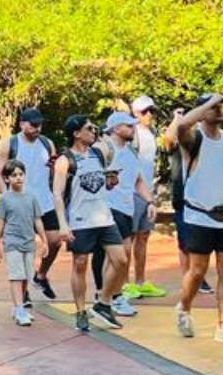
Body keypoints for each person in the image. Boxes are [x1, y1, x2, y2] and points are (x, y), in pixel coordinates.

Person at [169, 93, 223, 344]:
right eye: (213, 107)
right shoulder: (194, 137)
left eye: (220, 106)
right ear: (202, 111)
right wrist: (206, 103)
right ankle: (183, 308)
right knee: (198, 270)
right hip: (199, 215)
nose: (219, 110)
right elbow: (182, 126)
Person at [54, 114, 126, 332]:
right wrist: (62, 225)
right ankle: (80, 311)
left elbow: (103, 182)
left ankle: (103, 303)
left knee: (121, 260)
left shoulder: (98, 153)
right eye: (89, 128)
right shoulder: (65, 160)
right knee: (80, 264)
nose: (93, 131)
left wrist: (111, 182)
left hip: (104, 217)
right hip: (80, 219)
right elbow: (57, 194)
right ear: (77, 134)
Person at [0, 108, 65, 301]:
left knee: (55, 241)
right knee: (23, 250)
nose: (36, 128)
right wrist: (7, 198)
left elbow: (54, 172)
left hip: (44, 201)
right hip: (20, 204)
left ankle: (41, 275)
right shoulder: (9, 144)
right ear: (22, 124)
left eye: (39, 124)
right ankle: (22, 293)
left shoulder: (46, 143)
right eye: (32, 124)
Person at [101, 111, 155, 322]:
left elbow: (138, 180)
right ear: (116, 128)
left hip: (127, 208)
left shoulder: (132, 152)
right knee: (118, 256)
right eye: (129, 126)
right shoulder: (106, 150)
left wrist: (149, 201)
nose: (133, 129)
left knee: (121, 258)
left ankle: (112, 296)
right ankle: (109, 298)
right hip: (109, 208)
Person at [0, 160, 47, 326]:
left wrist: (44, 240)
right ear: (7, 179)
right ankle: (19, 308)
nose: (18, 178)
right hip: (12, 242)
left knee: (26, 276)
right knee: (16, 275)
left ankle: (20, 305)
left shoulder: (31, 197)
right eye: (14, 175)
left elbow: (37, 219)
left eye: (20, 174)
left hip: (28, 242)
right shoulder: (5, 199)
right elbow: (0, 222)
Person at [126, 96, 166, 299]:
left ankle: (140, 281)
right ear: (135, 113)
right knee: (128, 238)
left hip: (148, 191)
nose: (149, 115)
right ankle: (124, 284)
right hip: (132, 193)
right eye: (144, 111)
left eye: (152, 110)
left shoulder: (152, 132)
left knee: (143, 237)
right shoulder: (131, 133)